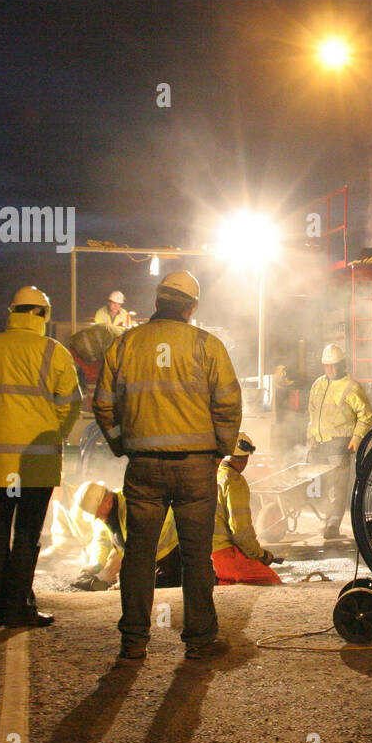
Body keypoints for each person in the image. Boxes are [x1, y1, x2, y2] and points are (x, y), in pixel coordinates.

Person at [94, 270, 242, 661]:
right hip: (196, 466)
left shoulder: (125, 344)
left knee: (139, 554)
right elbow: (228, 404)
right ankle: (199, 640)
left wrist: (121, 444)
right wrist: (219, 450)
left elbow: (103, 404)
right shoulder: (207, 346)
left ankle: (134, 642)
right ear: (191, 307)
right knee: (196, 557)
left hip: (143, 469)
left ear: (158, 301)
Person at [0, 286, 80, 629]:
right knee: (28, 534)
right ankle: (17, 608)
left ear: (13, 311)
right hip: (36, 465)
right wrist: (52, 434)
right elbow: (70, 405)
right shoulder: (53, 352)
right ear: (42, 314)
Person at [306, 344, 372, 541]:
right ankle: (326, 518)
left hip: (340, 443)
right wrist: (310, 436)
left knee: (337, 485)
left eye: (335, 365)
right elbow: (311, 413)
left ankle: (333, 523)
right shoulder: (318, 385)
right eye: (328, 366)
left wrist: (357, 437)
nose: (331, 370)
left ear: (342, 365)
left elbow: (366, 415)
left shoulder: (352, 387)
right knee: (324, 484)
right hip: (320, 443)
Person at [73, 481, 182, 590]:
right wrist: (96, 564)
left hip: (173, 552)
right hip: (151, 556)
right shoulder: (106, 512)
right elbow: (102, 541)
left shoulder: (135, 508)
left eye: (97, 512)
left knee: (157, 591)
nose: (96, 517)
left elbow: (142, 548)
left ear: (107, 501)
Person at [212, 433, 283, 586]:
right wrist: (261, 556)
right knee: (271, 581)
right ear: (245, 459)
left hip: (206, 553)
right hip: (223, 554)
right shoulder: (234, 480)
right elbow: (240, 531)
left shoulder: (213, 473)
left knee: (228, 584)